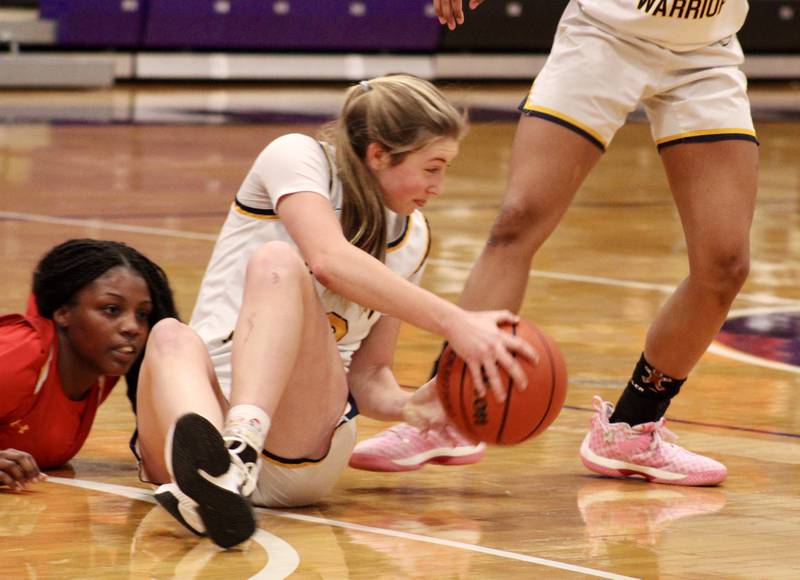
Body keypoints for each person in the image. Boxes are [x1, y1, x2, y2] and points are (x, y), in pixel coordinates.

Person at [134, 74, 538, 549]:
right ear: (379, 155)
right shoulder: (297, 157)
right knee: (169, 333)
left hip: (298, 444)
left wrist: (407, 406)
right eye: (432, 168)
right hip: (200, 411)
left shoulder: (413, 236)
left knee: (275, 261)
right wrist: (456, 321)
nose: (439, 186)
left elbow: (369, 377)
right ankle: (213, 477)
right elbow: (328, 259)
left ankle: (236, 453)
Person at [368, 0, 753, 486]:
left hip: (705, 49)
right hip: (605, 33)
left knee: (725, 264)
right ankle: (447, 411)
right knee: (518, 219)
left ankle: (630, 428)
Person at [0, 239, 178, 490]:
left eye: (142, 314)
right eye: (111, 309)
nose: (133, 327)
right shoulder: (22, 352)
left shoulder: (102, 367)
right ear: (63, 313)